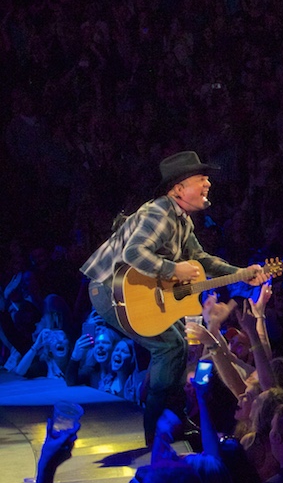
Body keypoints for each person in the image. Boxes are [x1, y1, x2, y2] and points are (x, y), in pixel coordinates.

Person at [80, 151, 268, 445]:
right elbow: (133, 253)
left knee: (179, 342)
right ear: (179, 188)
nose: (208, 183)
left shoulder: (182, 221)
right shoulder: (159, 212)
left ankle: (174, 419)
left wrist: (241, 272)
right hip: (109, 289)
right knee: (169, 346)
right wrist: (172, 268)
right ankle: (157, 427)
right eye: (201, 179)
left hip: (126, 289)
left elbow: (201, 258)